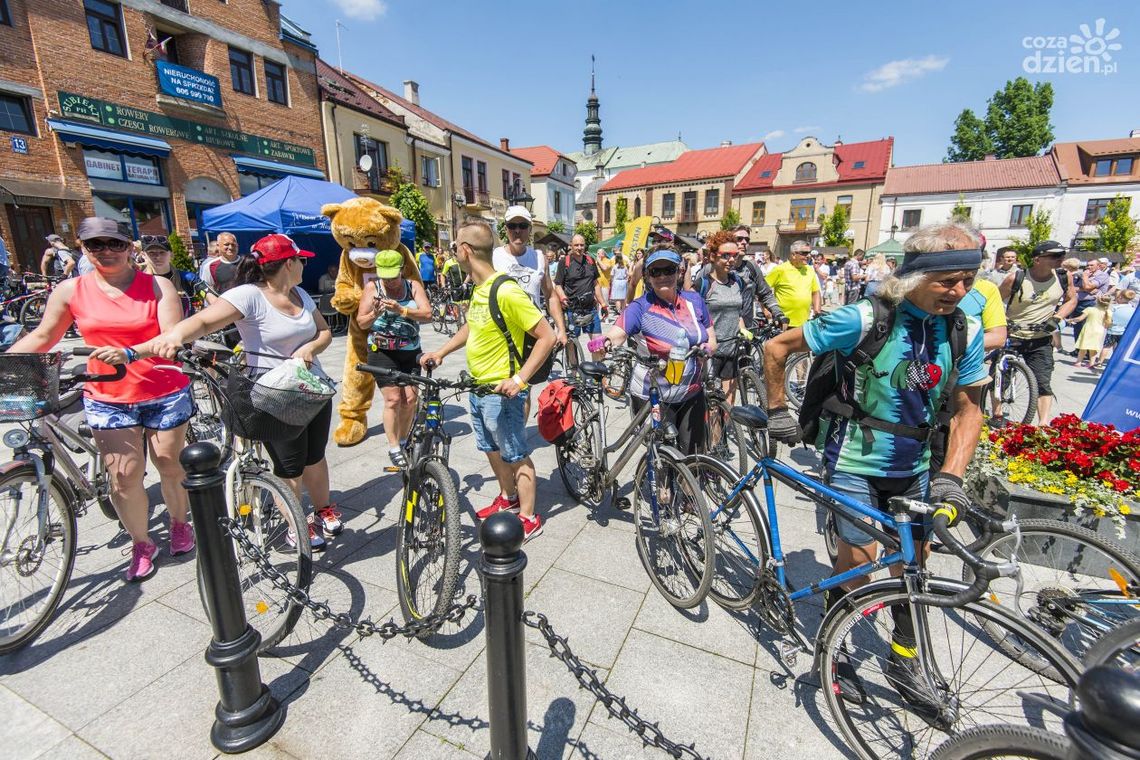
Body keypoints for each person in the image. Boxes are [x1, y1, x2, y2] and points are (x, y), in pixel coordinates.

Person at [764, 221, 988, 707]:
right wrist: (777, 410)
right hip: (854, 458)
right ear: (914, 276)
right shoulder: (865, 317)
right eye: (947, 280)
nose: (959, 291)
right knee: (861, 560)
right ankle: (835, 646)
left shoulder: (962, 327)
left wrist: (951, 477)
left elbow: (970, 409)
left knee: (915, 564)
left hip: (917, 461)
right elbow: (776, 347)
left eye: (967, 281)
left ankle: (905, 657)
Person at [9, 217, 194, 582]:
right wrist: (6, 365)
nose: (106, 251)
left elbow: (173, 337)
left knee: (169, 465)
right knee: (123, 478)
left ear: (130, 248)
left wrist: (130, 352)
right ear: (82, 248)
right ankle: (142, 543)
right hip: (108, 394)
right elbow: (44, 335)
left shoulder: (157, 287)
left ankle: (178, 522)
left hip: (163, 389)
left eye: (115, 244)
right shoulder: (70, 290)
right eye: (96, 245)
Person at [146, 233, 339, 550]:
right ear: (288, 263)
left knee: (315, 456)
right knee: (289, 465)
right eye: (300, 259)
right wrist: (176, 334)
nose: (304, 264)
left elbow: (324, 331)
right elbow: (206, 321)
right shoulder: (250, 295)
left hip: (311, 387)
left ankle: (323, 509)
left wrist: (310, 348)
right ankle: (296, 524)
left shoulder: (300, 294)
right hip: (275, 393)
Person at [419, 219, 556, 542]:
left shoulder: (506, 290)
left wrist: (520, 380)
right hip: (478, 389)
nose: (453, 252)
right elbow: (473, 326)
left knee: (515, 453)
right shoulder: (480, 290)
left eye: (454, 247)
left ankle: (528, 516)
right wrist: (441, 351)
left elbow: (546, 336)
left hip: (502, 392)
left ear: (465, 251)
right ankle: (507, 497)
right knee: (491, 450)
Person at [589, 245, 715, 455]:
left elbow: (711, 335)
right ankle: (663, 488)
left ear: (679, 271)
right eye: (656, 271)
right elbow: (618, 333)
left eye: (669, 270)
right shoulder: (640, 307)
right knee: (661, 459)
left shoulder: (694, 301)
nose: (663, 276)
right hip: (654, 395)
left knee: (694, 458)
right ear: (648, 275)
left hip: (692, 392)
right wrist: (606, 342)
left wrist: (708, 348)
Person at [357, 249, 431, 467]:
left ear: (401, 270)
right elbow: (361, 322)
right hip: (382, 352)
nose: (389, 281)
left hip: (410, 351)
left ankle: (403, 438)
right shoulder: (373, 288)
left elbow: (428, 314)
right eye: (384, 276)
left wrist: (402, 310)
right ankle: (393, 447)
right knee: (393, 399)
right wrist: (375, 314)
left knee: (410, 400)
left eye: (393, 276)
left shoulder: (413, 286)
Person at [493, 205, 567, 412]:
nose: (518, 230)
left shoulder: (539, 257)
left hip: (531, 332)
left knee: (523, 387)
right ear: (505, 229)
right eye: (512, 225)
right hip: (502, 333)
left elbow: (550, 295)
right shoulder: (495, 256)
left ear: (530, 228)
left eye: (523, 225)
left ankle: (518, 436)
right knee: (499, 387)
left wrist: (560, 328)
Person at [1000, 240, 1078, 424]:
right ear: (1037, 259)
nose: (1060, 259)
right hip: (1014, 334)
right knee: (1002, 376)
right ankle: (996, 414)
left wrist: (1057, 318)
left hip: (1041, 337)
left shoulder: (1063, 276)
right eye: (1054, 256)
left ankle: (1043, 424)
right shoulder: (1016, 278)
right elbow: (995, 300)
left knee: (1042, 382)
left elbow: (1071, 300)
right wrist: (1000, 323)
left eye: (1061, 255)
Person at [554, 234, 606, 359]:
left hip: (591, 309)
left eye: (581, 245)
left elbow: (596, 284)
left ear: (585, 246)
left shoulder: (590, 260)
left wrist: (603, 304)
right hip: (573, 310)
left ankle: (597, 375)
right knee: (572, 344)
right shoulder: (564, 262)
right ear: (571, 246)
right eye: (576, 245)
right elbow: (558, 285)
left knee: (598, 344)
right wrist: (562, 297)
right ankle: (573, 372)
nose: (579, 247)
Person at [138, 234, 214, 313]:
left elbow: (211, 297)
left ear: (171, 254)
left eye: (162, 252)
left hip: (184, 323)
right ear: (143, 255)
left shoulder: (187, 278)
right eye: (151, 253)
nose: (157, 256)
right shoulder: (137, 282)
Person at [765, 241, 821, 327]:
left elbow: (815, 292)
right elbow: (762, 290)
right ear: (794, 255)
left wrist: (817, 311)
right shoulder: (780, 269)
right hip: (783, 323)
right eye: (804, 253)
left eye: (809, 253)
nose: (809, 256)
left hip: (805, 323)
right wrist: (766, 310)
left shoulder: (810, 270)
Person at [1071, 293, 1112, 370]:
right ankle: (1091, 363)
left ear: (1097, 301)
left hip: (1088, 329)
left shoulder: (1090, 309)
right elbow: (1108, 324)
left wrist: (1071, 320)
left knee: (1083, 346)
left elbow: (1080, 319)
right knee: (1094, 348)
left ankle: (1078, 362)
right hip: (1099, 331)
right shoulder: (1108, 312)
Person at [1102, 289, 1136, 365]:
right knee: (1118, 347)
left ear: (1120, 297)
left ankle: (1100, 362)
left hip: (1112, 330)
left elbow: (1109, 317)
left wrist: (1106, 324)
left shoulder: (1115, 307)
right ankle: (1115, 362)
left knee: (1106, 347)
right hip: (1123, 331)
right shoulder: (1132, 308)